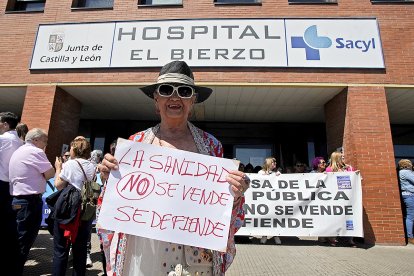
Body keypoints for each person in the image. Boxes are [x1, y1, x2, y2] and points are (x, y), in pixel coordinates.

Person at [96, 60, 249, 276]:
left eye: (184, 91)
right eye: (167, 90)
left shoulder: (211, 146)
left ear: (193, 100)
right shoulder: (135, 143)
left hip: (196, 251)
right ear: (156, 100)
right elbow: (117, 201)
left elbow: (222, 205)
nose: (175, 97)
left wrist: (236, 192)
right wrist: (108, 178)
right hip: (144, 249)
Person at [9, 128, 55, 275]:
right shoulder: (36, 152)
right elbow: (50, 174)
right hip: (29, 201)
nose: (46, 144)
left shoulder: (19, 151)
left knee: (18, 239)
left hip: (18, 199)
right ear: (35, 140)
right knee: (24, 241)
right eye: (44, 141)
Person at [53, 136, 96, 276]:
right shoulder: (92, 166)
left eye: (71, 147)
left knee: (61, 249)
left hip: (69, 207)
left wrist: (58, 168)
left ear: (75, 149)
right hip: (85, 209)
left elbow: (58, 185)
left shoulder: (70, 164)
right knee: (81, 249)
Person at [0, 111, 24, 275]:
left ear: (6, 124)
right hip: (13, 187)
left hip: (1, 184)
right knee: (9, 227)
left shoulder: (3, 140)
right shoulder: (20, 142)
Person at [325, 151, 357, 247]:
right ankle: (333, 238)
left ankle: (350, 239)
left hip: (348, 198)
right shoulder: (329, 170)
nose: (344, 159)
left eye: (343, 157)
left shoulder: (349, 168)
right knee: (334, 218)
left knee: (349, 217)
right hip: (335, 198)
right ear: (336, 159)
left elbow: (355, 179)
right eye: (342, 157)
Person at [85, 149, 104, 267]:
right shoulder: (86, 165)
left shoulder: (98, 167)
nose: (96, 157)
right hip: (79, 201)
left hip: (89, 201)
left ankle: (86, 253)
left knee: (86, 228)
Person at [257, 157, 282, 245]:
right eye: (273, 162)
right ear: (268, 163)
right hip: (264, 199)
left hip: (274, 200)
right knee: (265, 217)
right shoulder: (261, 173)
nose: (275, 164)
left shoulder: (276, 173)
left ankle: (276, 235)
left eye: (275, 162)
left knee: (274, 217)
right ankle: (264, 235)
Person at [397, 159, 414, 244]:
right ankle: (410, 236)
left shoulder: (404, 172)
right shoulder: (405, 172)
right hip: (410, 195)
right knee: (411, 216)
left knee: (410, 215)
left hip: (409, 195)